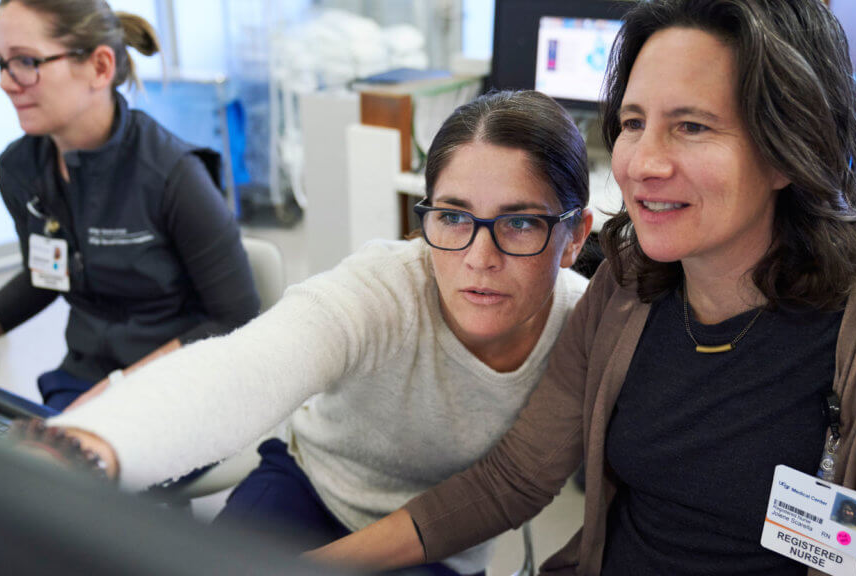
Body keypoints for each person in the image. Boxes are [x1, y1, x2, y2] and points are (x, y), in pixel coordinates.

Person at [309, 1, 856, 574]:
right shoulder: (627, 285)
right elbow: (513, 480)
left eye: (692, 126)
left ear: (789, 149)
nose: (643, 164)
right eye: (634, 122)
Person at [45, 89, 594, 576]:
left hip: (444, 542)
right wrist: (90, 448)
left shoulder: (584, 327)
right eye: (453, 217)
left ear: (573, 238)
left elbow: (511, 487)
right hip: (312, 486)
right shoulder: (386, 288)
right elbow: (249, 369)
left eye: (521, 223)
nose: (479, 258)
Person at [0, 0, 259, 411]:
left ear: (100, 68)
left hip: (182, 384)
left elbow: (235, 316)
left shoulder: (173, 176)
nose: (8, 82)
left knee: (65, 465)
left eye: (26, 61)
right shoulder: (19, 169)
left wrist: (117, 390)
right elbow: (45, 276)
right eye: (0, 62)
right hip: (85, 375)